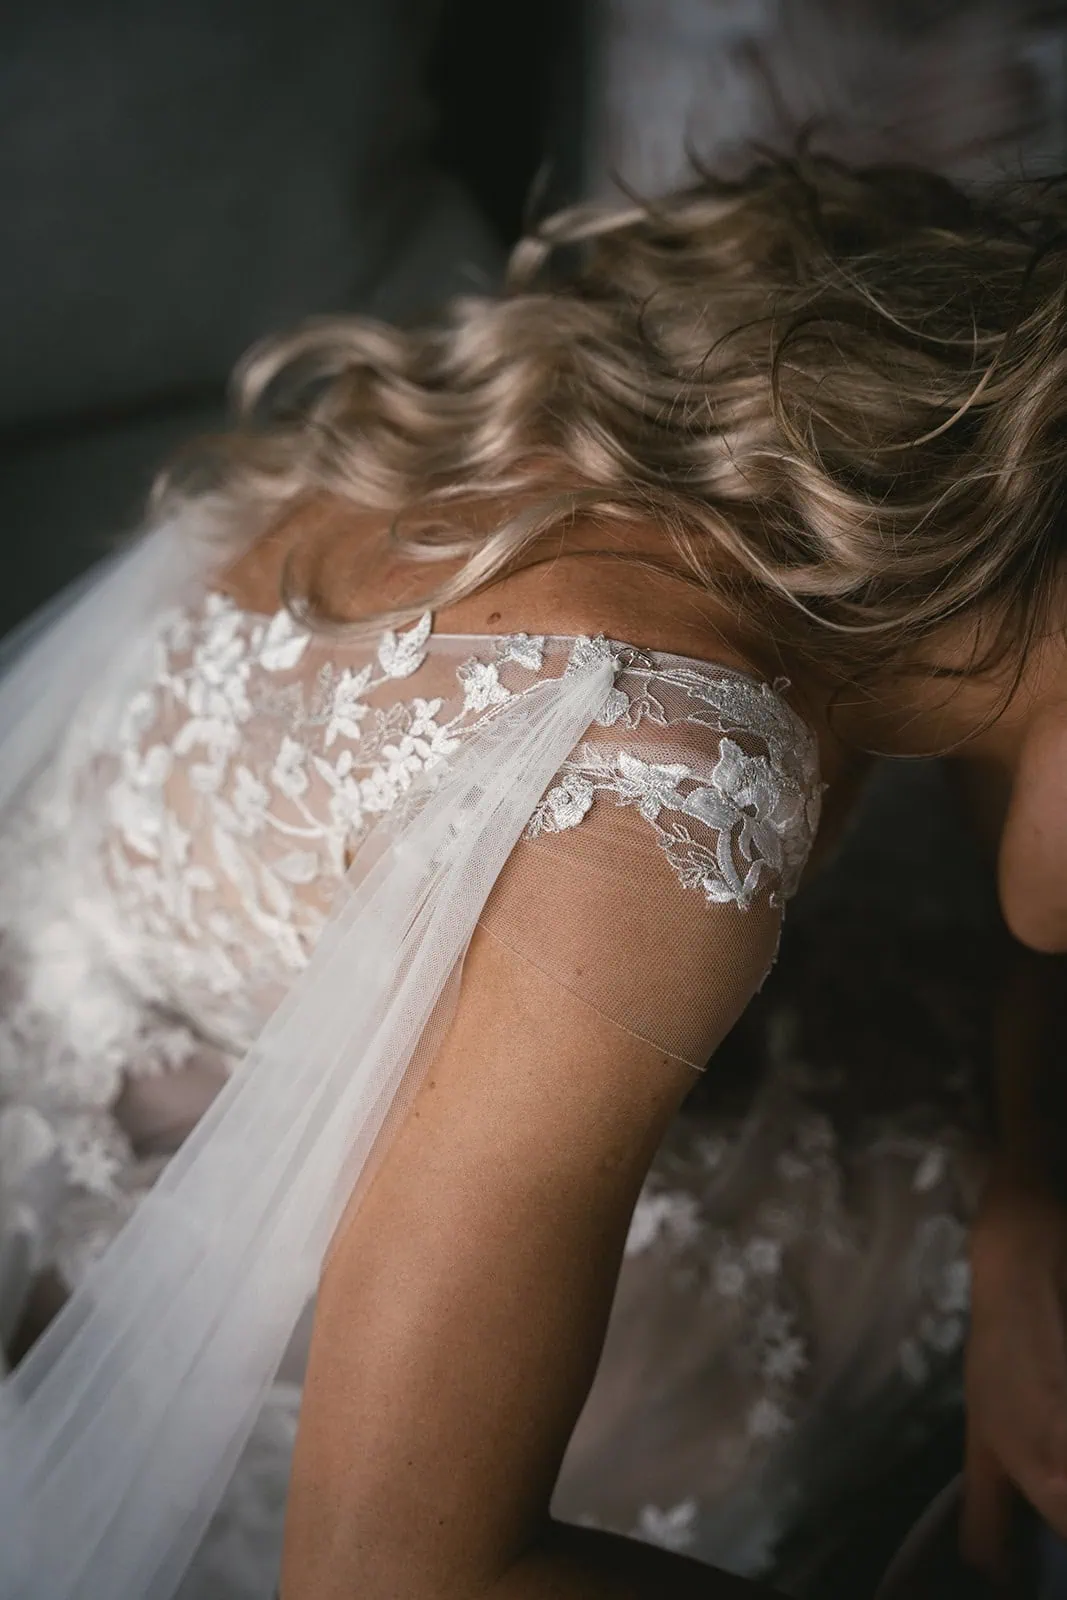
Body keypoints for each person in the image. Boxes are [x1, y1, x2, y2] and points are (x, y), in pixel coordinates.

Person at [1, 154, 1066, 1599]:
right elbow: (392, 1584)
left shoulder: (893, 395)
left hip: (132, 995)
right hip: (183, 1202)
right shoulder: (642, 802)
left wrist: (1030, 1189)